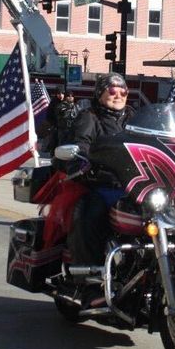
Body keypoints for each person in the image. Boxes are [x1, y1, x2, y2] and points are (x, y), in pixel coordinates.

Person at [68, 72, 133, 266]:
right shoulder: (90, 117)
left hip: (134, 186)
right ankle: (89, 273)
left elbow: (154, 141)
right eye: (112, 90)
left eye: (124, 91)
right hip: (102, 184)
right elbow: (81, 144)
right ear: (99, 93)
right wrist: (83, 161)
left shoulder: (135, 118)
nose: (118, 95)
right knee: (91, 213)